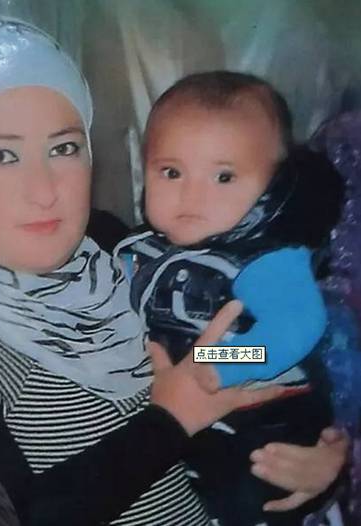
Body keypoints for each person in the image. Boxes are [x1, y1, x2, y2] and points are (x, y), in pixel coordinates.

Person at [0, 15, 347, 526]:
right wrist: (171, 418)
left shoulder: (114, 249)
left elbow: (270, 355)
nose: (45, 190)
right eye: (1, 155)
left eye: (64, 147)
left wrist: (313, 471)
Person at [114, 71, 346, 524]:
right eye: (171, 172)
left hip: (263, 421)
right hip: (180, 431)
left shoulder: (265, 260)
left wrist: (223, 361)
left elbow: (295, 326)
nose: (192, 194)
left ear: (273, 188)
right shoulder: (137, 251)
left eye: (224, 176)